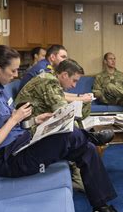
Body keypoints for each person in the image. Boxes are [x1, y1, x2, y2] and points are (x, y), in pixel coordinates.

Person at [0, 45, 123, 212]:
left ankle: (102, 210)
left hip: (21, 143)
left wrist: (36, 120)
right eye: (13, 71)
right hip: (7, 160)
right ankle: (90, 136)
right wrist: (14, 119)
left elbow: (9, 126)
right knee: (66, 136)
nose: (15, 75)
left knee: (87, 149)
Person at [15, 58, 90, 193]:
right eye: (74, 80)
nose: (74, 86)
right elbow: (63, 111)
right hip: (27, 132)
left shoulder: (50, 79)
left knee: (75, 131)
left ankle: (79, 176)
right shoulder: (50, 81)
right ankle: (79, 178)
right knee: (72, 132)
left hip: (31, 125)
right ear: (64, 75)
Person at [20, 44, 92, 118]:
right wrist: (80, 99)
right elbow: (62, 109)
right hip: (30, 118)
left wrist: (79, 97)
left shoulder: (51, 73)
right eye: (63, 57)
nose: (65, 60)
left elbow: (58, 94)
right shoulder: (46, 74)